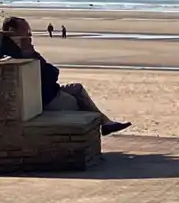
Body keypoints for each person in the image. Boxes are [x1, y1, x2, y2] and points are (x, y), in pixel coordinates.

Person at [0, 17, 130, 134]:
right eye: (26, 31)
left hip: (48, 92)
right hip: (45, 98)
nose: (30, 35)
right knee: (78, 103)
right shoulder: (19, 53)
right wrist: (33, 54)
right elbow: (51, 74)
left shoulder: (16, 49)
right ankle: (102, 126)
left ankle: (106, 123)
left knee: (77, 88)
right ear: (13, 31)